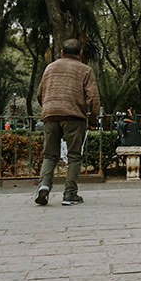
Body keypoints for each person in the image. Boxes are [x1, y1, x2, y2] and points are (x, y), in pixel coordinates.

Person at [35, 39, 101, 206]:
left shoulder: (50, 68)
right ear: (80, 53)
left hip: (50, 116)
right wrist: (93, 120)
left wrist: (49, 109)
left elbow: (39, 93)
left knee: (50, 155)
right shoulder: (85, 69)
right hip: (74, 116)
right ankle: (70, 194)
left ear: (62, 52)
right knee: (74, 156)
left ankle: (44, 186)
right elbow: (93, 97)